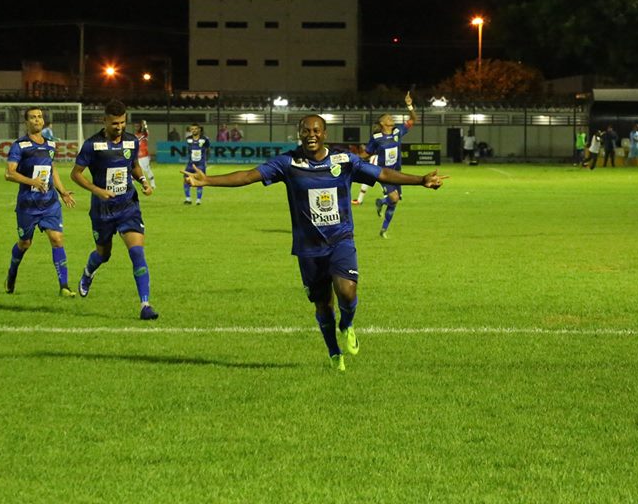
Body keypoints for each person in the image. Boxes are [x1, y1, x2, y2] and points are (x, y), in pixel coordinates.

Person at [183, 114, 446, 372]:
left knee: (347, 291)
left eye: (316, 130)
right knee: (323, 303)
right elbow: (248, 176)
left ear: (325, 134)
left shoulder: (343, 160)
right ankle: (334, 352)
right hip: (308, 247)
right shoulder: (287, 162)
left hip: (340, 239)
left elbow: (382, 173)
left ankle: (348, 323)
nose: (311, 135)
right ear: (300, 134)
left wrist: (420, 180)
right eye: (306, 131)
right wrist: (208, 180)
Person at [71, 99, 158, 320]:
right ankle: (88, 272)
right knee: (103, 253)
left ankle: (145, 305)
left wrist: (143, 181)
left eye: (122, 122)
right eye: (114, 123)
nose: (119, 127)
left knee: (137, 252)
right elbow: (76, 174)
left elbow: (135, 166)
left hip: (128, 206)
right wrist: (96, 190)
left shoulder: (131, 141)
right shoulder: (92, 145)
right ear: (104, 121)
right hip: (102, 210)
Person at [3, 106, 77, 297]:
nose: (37, 120)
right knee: (25, 243)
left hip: (49, 203)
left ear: (43, 121)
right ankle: (12, 273)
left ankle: (64, 286)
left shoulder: (51, 145)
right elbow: (9, 173)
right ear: (26, 122)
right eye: (33, 117)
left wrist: (62, 192)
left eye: (39, 117)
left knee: (57, 239)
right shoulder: (19, 146)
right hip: (28, 204)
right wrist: (32, 182)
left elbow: (53, 170)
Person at [364, 91, 418, 238]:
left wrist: (409, 105)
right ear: (382, 123)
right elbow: (367, 153)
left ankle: (384, 230)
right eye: (388, 118)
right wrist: (352, 158)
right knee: (393, 198)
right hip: (384, 173)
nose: (391, 118)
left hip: (397, 172)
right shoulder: (376, 137)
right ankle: (381, 201)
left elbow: (413, 119)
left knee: (394, 203)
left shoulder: (398, 131)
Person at [183, 123, 210, 205]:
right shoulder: (188, 139)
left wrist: (206, 160)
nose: (193, 130)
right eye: (192, 129)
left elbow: (208, 148)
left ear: (199, 129)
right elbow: (189, 150)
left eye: (195, 129)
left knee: (200, 181)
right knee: (186, 180)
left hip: (200, 164)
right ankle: (188, 199)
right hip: (190, 164)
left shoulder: (205, 139)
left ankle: (198, 200)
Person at [135, 119, 156, 189]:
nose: (136, 128)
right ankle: (133, 185)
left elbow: (146, 131)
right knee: (137, 170)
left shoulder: (144, 135)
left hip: (144, 156)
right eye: (135, 126)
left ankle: (153, 184)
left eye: (138, 126)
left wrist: (145, 125)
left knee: (147, 169)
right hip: (138, 156)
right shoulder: (135, 136)